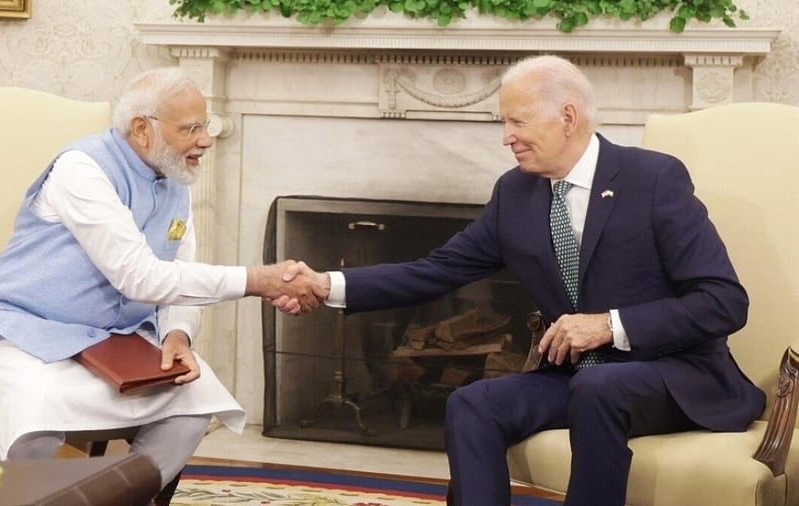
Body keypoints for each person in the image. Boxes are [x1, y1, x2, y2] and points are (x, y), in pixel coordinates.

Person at [283, 55, 765, 506]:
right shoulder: (515, 193)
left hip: (676, 377)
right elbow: (437, 270)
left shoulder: (654, 179)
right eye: (504, 121)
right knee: (474, 402)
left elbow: (723, 301)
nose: (506, 136)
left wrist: (609, 325)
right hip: (581, 380)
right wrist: (329, 285)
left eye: (518, 121)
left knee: (600, 388)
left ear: (568, 117)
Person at [0, 67, 321, 505]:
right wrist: (256, 280)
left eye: (205, 126)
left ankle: (121, 496)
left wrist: (178, 333)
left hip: (111, 342)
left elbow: (181, 271)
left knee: (194, 398)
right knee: (35, 414)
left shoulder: (176, 181)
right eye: (191, 129)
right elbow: (139, 276)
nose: (206, 140)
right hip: (22, 329)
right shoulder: (82, 169)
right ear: (142, 129)